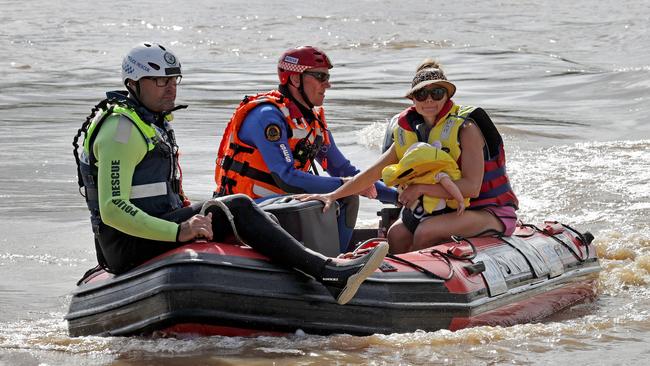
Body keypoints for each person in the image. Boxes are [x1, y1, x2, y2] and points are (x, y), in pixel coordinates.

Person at [71, 42, 388, 305]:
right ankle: (326, 272)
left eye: (173, 80)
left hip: (155, 226)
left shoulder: (149, 121)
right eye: (160, 82)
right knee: (235, 205)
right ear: (134, 84)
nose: (170, 89)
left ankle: (309, 272)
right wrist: (178, 232)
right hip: (127, 243)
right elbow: (113, 210)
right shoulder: (121, 131)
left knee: (244, 214)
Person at [295, 59, 519, 254]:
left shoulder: (467, 128)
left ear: (447, 95)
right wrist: (332, 196)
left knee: (426, 231)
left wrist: (421, 189)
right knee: (396, 234)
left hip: (486, 210)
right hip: (445, 209)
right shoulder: (407, 132)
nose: (429, 100)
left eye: (437, 93)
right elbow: (372, 174)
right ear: (412, 98)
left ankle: (423, 287)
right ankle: (396, 284)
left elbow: (471, 188)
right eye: (422, 94)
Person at [213, 46, 397, 252]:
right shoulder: (267, 117)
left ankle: (338, 259)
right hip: (246, 208)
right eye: (320, 76)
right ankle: (333, 264)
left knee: (347, 192)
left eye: (327, 76)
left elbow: (345, 171)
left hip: (283, 205)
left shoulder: (311, 123)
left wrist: (399, 196)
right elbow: (287, 178)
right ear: (294, 79)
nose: (327, 84)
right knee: (347, 193)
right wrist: (347, 185)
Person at [381, 141, 468, 216]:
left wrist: (460, 200)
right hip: (421, 213)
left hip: (434, 213)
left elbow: (450, 186)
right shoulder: (414, 178)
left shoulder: (435, 175)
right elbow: (449, 186)